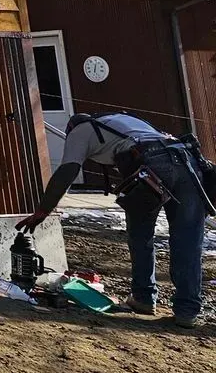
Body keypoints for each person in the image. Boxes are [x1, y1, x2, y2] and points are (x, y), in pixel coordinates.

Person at [18, 112, 210, 327]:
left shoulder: (80, 131)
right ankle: (187, 312)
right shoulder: (125, 121)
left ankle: (144, 298)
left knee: (140, 236)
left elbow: (67, 171)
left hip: (151, 166)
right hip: (187, 162)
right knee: (188, 242)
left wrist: (43, 211)